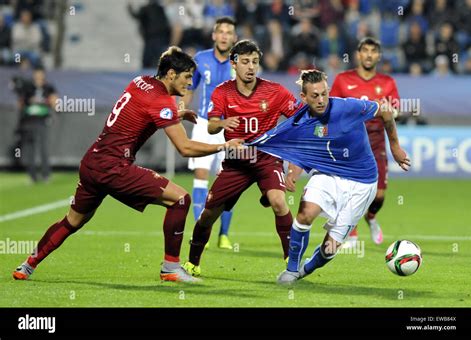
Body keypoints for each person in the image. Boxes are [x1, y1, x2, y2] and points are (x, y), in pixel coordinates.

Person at [12, 46, 243, 283]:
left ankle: (27, 265)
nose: (189, 83)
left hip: (92, 161)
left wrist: (178, 114)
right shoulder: (161, 101)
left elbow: (145, 108)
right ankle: (170, 268)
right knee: (180, 199)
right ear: (171, 74)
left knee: (72, 221)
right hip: (114, 167)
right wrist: (224, 146)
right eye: (186, 77)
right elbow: (184, 148)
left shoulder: (140, 81)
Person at [248, 69, 410, 285]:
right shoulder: (301, 121)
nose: (321, 100)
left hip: (362, 182)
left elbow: (386, 111)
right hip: (328, 173)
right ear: (303, 98)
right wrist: (292, 173)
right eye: (315, 96)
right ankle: (291, 269)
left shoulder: (348, 107)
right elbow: (302, 148)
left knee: (329, 247)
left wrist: (395, 147)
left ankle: (304, 270)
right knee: (305, 214)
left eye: (324, 93)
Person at [182, 40, 302, 277]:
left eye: (255, 62)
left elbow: (299, 117)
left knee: (279, 202)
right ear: (234, 64)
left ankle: (293, 263)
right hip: (236, 163)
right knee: (208, 215)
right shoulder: (222, 92)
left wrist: (293, 164)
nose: (251, 67)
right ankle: (192, 262)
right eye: (245, 62)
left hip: (267, 159)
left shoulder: (275, 91)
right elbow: (213, 125)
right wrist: (223, 123)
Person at [329, 37, 400, 247]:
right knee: (349, 191)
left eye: (373, 51)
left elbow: (394, 110)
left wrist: (386, 110)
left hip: (376, 143)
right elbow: (333, 108)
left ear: (378, 56)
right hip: (350, 143)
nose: (369, 54)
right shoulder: (343, 79)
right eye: (365, 50)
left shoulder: (387, 83)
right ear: (358, 54)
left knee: (378, 196)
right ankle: (351, 232)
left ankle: (370, 217)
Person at [181, 17, 237, 250]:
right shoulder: (200, 59)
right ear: (214, 35)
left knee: (228, 182)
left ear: (234, 37)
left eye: (229, 32)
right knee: (201, 175)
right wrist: (182, 109)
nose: (224, 36)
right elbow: (189, 88)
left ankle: (224, 234)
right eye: (220, 32)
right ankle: (199, 229)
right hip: (204, 125)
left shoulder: (240, 62)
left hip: (230, 127)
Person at [15, 67, 58, 183]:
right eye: (36, 74)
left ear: (43, 75)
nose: (38, 76)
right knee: (30, 148)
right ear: (34, 75)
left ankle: (46, 175)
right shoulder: (27, 87)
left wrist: (48, 102)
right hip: (29, 121)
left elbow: (55, 102)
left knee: (43, 147)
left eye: (40, 74)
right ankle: (32, 175)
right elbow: (21, 103)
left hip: (42, 120)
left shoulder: (48, 87)